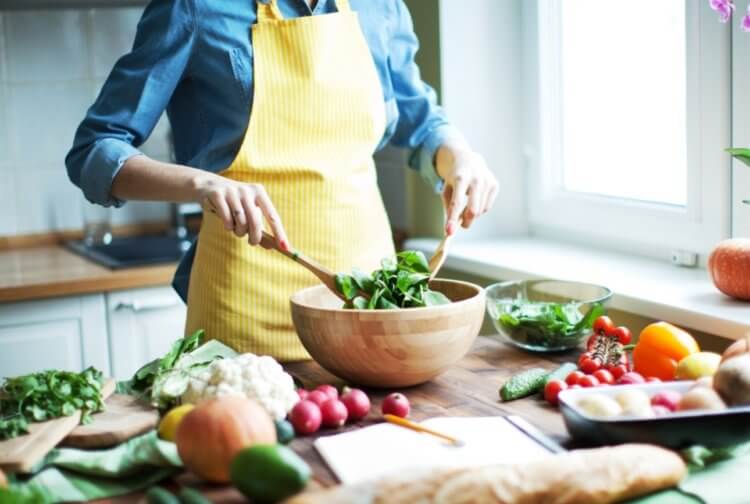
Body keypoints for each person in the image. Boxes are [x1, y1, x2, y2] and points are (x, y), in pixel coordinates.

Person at [66, 0, 498, 361]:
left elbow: (420, 121)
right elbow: (96, 149)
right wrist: (201, 184)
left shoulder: (379, 6)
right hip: (245, 308)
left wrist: (459, 156)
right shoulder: (193, 7)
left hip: (367, 304)